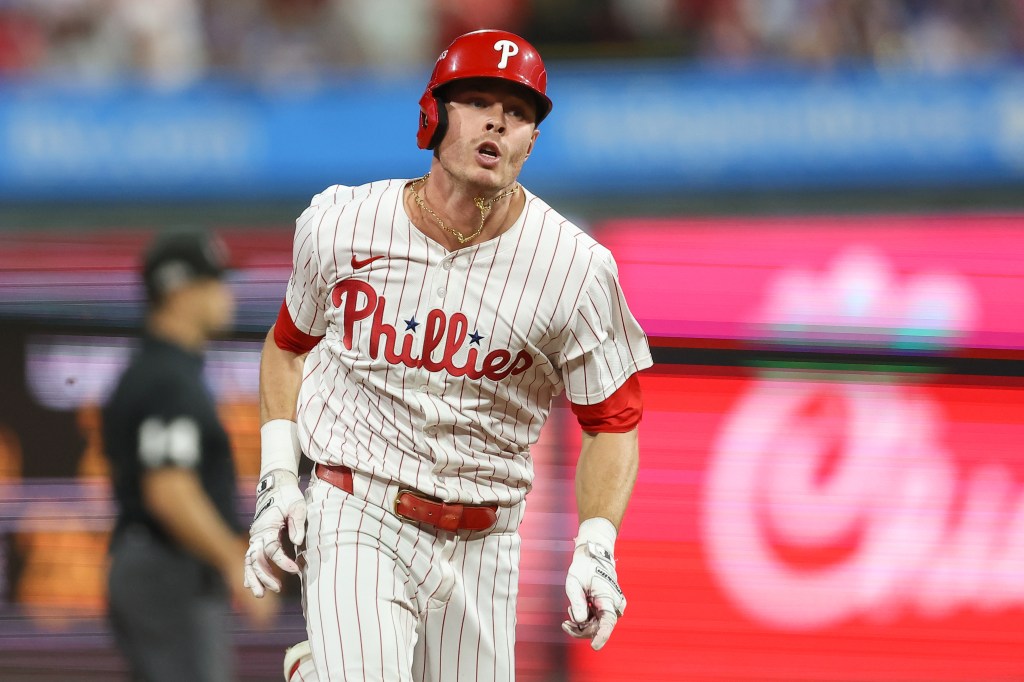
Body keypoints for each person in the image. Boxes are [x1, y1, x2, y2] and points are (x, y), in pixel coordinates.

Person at [243, 28, 652, 682]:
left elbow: (614, 420)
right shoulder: (342, 223)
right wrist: (276, 479)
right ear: (434, 114)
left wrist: (597, 545)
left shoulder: (574, 268)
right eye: (479, 100)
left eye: (518, 112)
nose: (498, 120)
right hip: (359, 509)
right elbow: (289, 346)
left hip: (486, 541)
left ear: (530, 144)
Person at [103, 228, 276, 682]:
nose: (226, 293)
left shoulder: (161, 370)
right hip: (167, 568)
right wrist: (233, 559)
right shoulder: (166, 378)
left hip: (159, 567)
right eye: (213, 281)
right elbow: (169, 489)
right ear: (178, 289)